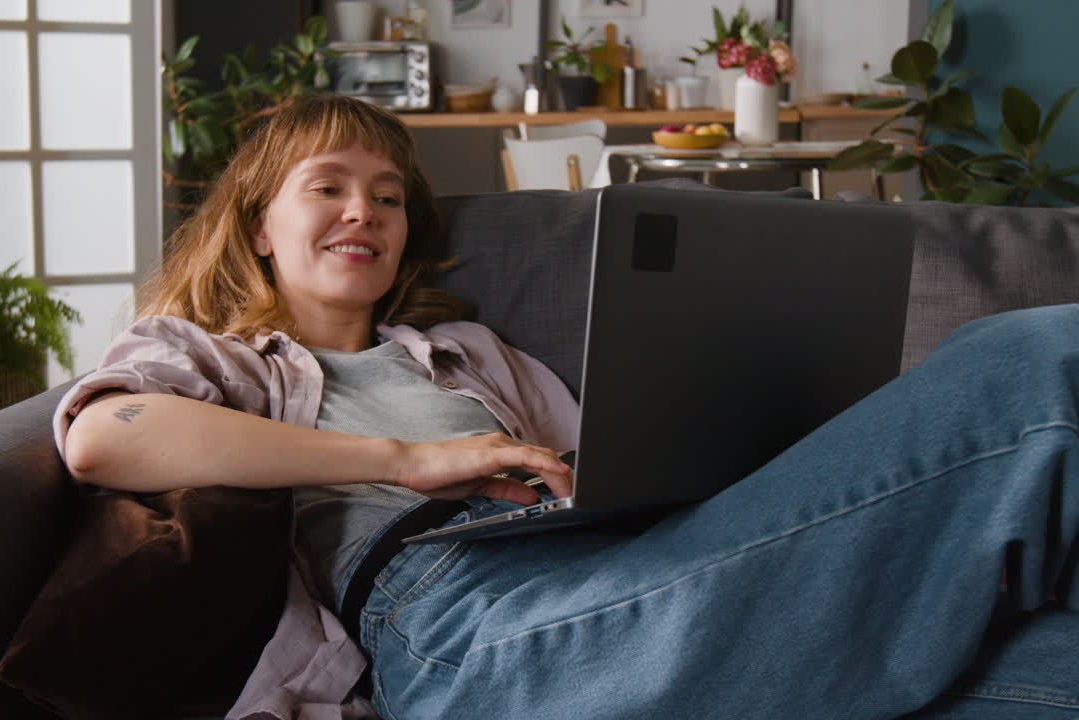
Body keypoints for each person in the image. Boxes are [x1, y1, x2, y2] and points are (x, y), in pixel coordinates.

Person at [55, 94, 1079, 719]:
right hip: (456, 620)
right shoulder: (214, 355)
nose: (363, 209)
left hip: (607, 571)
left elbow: (611, 469)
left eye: (389, 194)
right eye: (326, 187)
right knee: (1027, 361)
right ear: (258, 227)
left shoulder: (466, 354)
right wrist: (407, 461)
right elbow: (107, 437)